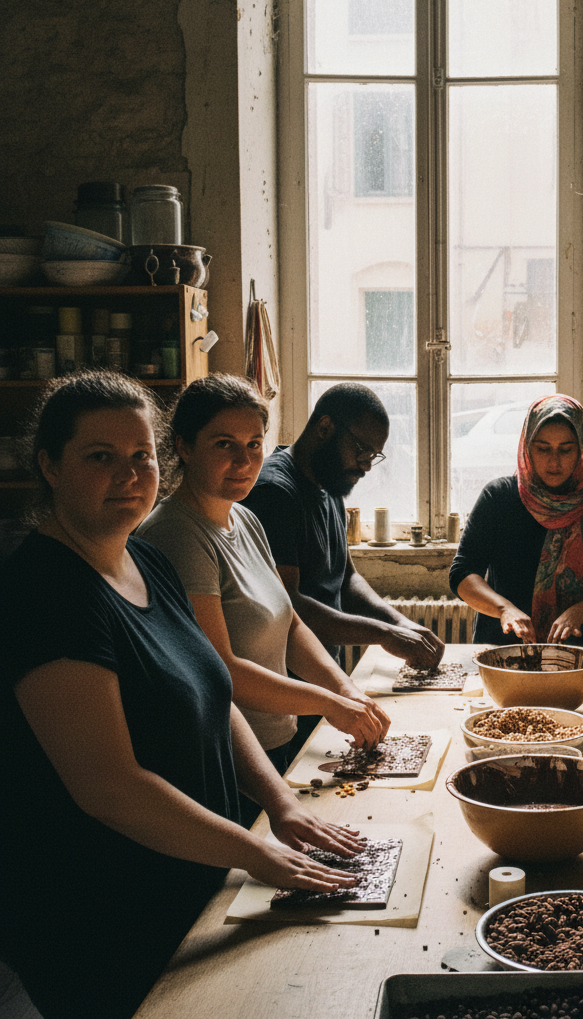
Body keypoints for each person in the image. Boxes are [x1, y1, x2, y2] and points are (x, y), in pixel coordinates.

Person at [0, 371, 369, 1019]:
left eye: (140, 456)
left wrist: (279, 805)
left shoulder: (147, 562)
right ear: (49, 466)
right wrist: (255, 850)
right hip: (99, 916)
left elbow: (216, 693)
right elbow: (110, 788)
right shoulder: (46, 594)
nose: (129, 474)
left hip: (190, 876)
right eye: (100, 457)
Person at [136, 375, 390, 786]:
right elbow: (222, 669)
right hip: (223, 757)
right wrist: (330, 702)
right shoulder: (176, 534)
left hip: (275, 740)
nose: (244, 460)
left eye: (254, 444)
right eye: (224, 445)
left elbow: (291, 624)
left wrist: (347, 690)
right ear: (184, 446)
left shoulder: (244, 517)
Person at [242, 383, 445, 671]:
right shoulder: (275, 492)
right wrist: (384, 634)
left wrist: (400, 623)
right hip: (285, 679)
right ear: (325, 427)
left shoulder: (329, 483)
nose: (366, 466)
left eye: (374, 455)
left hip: (322, 673)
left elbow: (347, 579)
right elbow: (288, 606)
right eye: (362, 450)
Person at [450, 393, 583, 645]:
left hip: (580, 647)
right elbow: (462, 573)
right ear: (527, 447)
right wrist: (504, 609)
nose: (554, 461)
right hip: (505, 646)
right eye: (543, 448)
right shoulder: (499, 497)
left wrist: (578, 613)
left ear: (582, 447)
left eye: (566, 449)